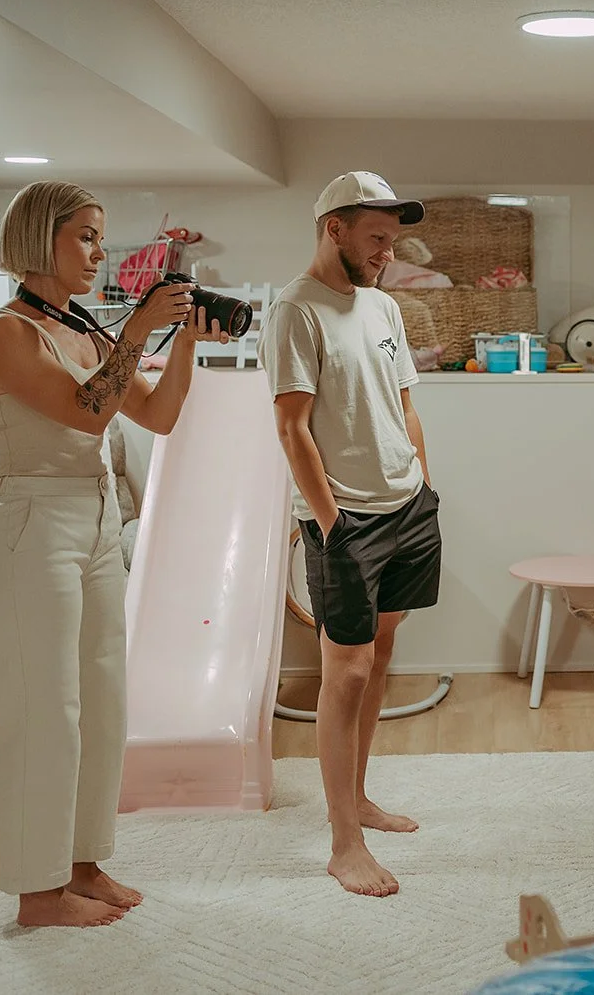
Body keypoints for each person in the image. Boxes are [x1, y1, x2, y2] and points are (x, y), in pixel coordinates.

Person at [0, 181, 228, 927]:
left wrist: (187, 345)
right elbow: (87, 414)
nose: (98, 253)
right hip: (30, 525)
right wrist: (141, 329)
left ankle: (81, 865)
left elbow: (159, 414)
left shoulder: (83, 328)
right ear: (38, 239)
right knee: (41, 712)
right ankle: (36, 893)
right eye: (84, 236)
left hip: (93, 519)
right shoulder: (5, 332)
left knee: (101, 703)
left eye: (99, 237)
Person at [259, 171, 440, 898]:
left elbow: (405, 405)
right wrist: (332, 523)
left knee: (383, 652)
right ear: (333, 228)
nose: (386, 252)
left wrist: (422, 483)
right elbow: (290, 427)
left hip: (407, 507)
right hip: (349, 520)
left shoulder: (385, 307)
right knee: (348, 672)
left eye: (391, 239)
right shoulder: (295, 311)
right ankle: (343, 842)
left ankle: (359, 797)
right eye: (375, 237)